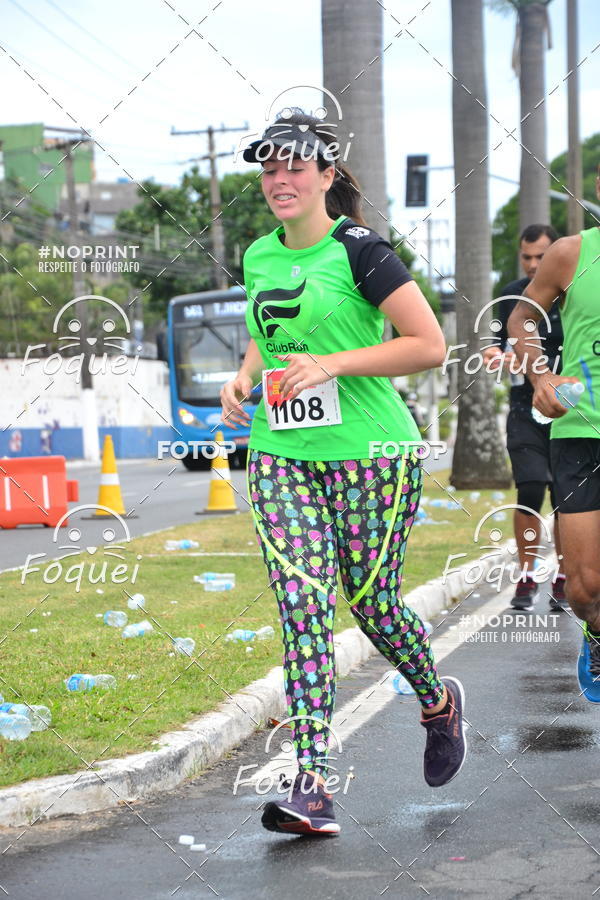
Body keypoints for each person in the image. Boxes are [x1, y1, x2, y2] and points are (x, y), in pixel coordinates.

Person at [220, 110, 467, 836]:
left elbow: (428, 345)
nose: (279, 179)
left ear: (328, 175)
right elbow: (270, 337)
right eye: (269, 168)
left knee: (372, 604)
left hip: (370, 454)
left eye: (295, 166)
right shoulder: (259, 255)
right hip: (280, 454)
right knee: (302, 610)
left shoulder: (361, 250)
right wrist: (243, 380)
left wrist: (333, 363)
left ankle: (437, 700)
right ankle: (314, 783)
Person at [508, 175, 600, 703]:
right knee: (586, 590)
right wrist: (541, 377)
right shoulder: (569, 254)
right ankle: (596, 630)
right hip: (580, 429)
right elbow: (523, 317)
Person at [483, 224, 565, 611]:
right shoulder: (511, 295)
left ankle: (564, 576)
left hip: (573, 407)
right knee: (530, 489)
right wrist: (496, 356)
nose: (534, 265)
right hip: (524, 405)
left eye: (541, 257)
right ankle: (527, 575)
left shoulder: (576, 291)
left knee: (567, 497)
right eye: (527, 257)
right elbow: (500, 346)